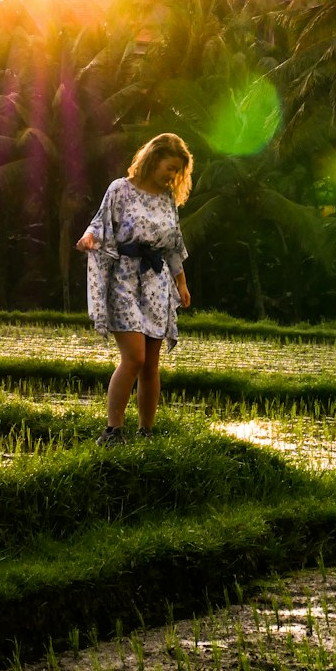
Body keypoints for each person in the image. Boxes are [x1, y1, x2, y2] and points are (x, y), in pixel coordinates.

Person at [76, 133, 192, 444]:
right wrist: (89, 238)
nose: (173, 175)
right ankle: (113, 430)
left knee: (152, 364)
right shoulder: (121, 190)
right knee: (135, 358)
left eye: (178, 171)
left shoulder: (167, 199)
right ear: (153, 160)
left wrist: (181, 283)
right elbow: (99, 222)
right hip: (124, 281)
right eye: (170, 167)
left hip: (156, 282)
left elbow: (174, 244)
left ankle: (146, 432)